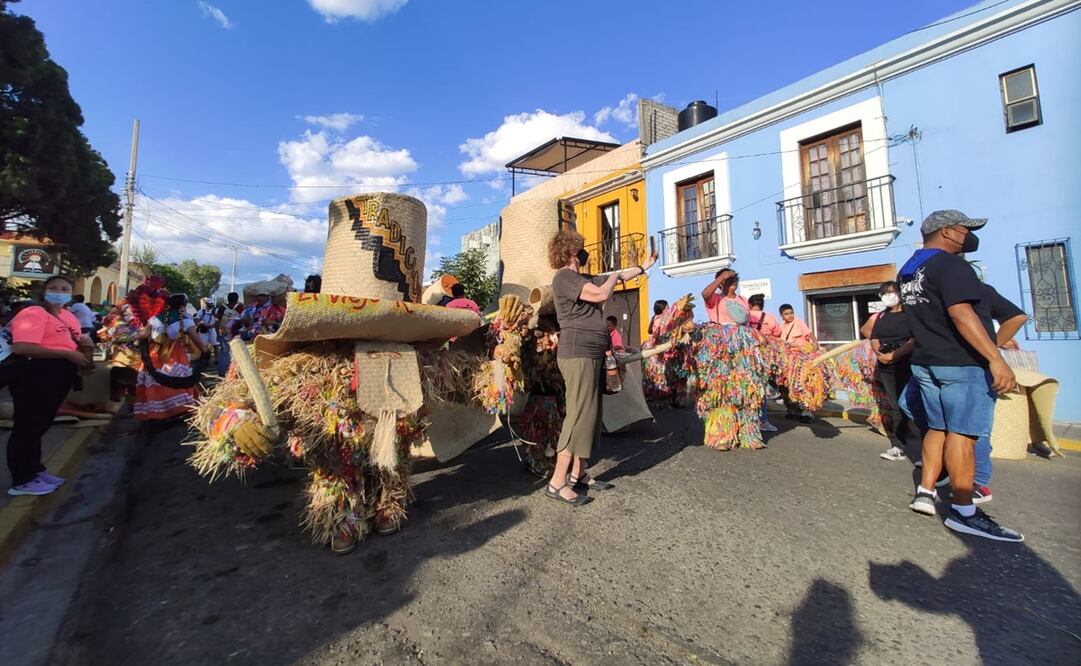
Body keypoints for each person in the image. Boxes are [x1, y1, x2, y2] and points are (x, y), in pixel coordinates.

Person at [898, 209, 1022, 542]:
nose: (969, 237)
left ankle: (925, 491)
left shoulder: (909, 270)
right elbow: (961, 313)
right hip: (959, 363)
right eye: (966, 231)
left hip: (926, 362)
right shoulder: (951, 265)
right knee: (963, 435)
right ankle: (965, 512)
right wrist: (995, 358)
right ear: (949, 232)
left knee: (937, 428)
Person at [546, 229, 656, 505]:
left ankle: (579, 474)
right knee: (578, 415)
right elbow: (598, 295)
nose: (585, 253)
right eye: (580, 248)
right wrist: (614, 278)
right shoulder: (564, 277)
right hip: (577, 353)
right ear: (571, 251)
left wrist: (643, 267)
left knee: (592, 416)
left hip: (592, 353)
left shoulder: (580, 277)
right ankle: (557, 482)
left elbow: (618, 275)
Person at [6, 275, 94, 496]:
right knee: (27, 427)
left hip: (57, 376)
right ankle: (22, 479)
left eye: (64, 288)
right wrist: (67, 354)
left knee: (40, 425)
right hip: (34, 374)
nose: (59, 291)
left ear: (71, 294)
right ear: (44, 292)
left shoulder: (67, 315)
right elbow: (22, 347)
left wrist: (83, 348)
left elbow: (71, 341)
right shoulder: (34, 313)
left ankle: (35, 470)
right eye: (53, 287)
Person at [971, 283, 1028, 503]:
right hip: (950, 363)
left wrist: (992, 349)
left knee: (980, 428)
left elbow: (1017, 317)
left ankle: (980, 482)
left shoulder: (981, 291)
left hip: (980, 366)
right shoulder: (939, 293)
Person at [859, 281, 922, 462]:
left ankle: (917, 448)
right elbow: (874, 336)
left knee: (911, 405)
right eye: (885, 293)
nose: (889, 296)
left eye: (892, 292)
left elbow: (914, 339)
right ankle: (897, 445)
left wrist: (894, 355)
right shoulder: (881, 317)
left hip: (907, 364)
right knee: (895, 406)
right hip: (886, 367)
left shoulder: (911, 314)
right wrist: (880, 353)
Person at [134, 293, 207, 422]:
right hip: (176, 356)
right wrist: (205, 352)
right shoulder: (186, 320)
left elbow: (142, 336)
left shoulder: (155, 319)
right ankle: (179, 409)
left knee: (156, 382)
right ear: (183, 306)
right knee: (180, 380)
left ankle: (159, 412)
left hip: (155, 355)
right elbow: (197, 340)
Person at [748, 293, 782, 432]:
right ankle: (762, 420)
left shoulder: (745, 315)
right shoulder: (770, 317)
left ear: (749, 304)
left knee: (748, 387)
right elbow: (778, 334)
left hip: (747, 356)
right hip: (764, 357)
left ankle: (748, 419)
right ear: (763, 305)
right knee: (761, 388)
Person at [778, 303, 817, 423]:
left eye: (791, 312)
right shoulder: (781, 326)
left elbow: (809, 334)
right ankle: (792, 410)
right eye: (786, 314)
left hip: (801, 359)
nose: (790, 315)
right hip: (788, 360)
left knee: (802, 385)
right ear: (782, 315)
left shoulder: (799, 322)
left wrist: (815, 345)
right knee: (787, 387)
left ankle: (806, 412)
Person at [215, 292, 242, 375]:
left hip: (223, 332)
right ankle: (233, 372)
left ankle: (222, 371)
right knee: (235, 352)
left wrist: (217, 331)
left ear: (228, 298)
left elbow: (217, 320)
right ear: (237, 299)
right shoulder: (240, 308)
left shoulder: (222, 308)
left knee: (224, 352)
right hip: (235, 333)